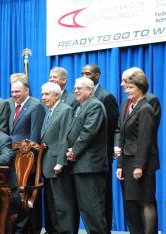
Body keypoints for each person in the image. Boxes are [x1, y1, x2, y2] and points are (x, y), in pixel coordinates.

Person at [114, 70, 159, 234]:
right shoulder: (128, 104)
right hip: (126, 161)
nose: (125, 89)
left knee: (145, 202)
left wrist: (139, 165)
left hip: (141, 162)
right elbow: (123, 135)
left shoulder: (146, 107)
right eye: (126, 86)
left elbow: (145, 139)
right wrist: (120, 164)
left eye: (130, 87)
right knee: (130, 204)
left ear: (140, 87)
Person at [66, 77, 108, 233]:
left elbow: (88, 132)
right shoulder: (81, 106)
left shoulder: (94, 105)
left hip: (90, 167)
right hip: (82, 166)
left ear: (90, 90)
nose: (75, 90)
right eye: (75, 88)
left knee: (93, 210)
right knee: (87, 210)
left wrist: (74, 151)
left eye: (79, 88)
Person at [81, 64, 119, 232]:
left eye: (88, 73)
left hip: (101, 155)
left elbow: (111, 128)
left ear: (97, 75)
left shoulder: (105, 96)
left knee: (103, 196)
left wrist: (110, 152)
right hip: (87, 156)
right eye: (82, 73)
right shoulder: (83, 96)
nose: (84, 75)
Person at [8, 77, 45, 233]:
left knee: (27, 195)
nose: (14, 94)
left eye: (17, 91)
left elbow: (34, 137)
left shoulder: (36, 105)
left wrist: (32, 163)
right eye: (12, 92)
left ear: (26, 90)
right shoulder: (11, 106)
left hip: (27, 161)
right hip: (12, 159)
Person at [40, 82, 77, 233]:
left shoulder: (65, 109)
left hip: (57, 164)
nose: (43, 97)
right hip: (47, 164)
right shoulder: (48, 111)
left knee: (63, 205)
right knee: (52, 205)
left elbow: (65, 138)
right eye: (42, 94)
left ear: (57, 95)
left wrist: (61, 162)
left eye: (47, 94)